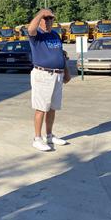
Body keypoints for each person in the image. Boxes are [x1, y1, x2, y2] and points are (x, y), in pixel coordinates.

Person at [28, 8, 71, 152]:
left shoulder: (55, 35)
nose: (47, 21)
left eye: (50, 19)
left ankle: (49, 135)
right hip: (42, 74)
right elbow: (30, 29)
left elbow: (61, 54)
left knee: (52, 108)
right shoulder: (37, 35)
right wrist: (41, 13)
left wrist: (66, 72)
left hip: (57, 75)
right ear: (39, 20)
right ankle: (37, 138)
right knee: (41, 107)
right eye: (44, 19)